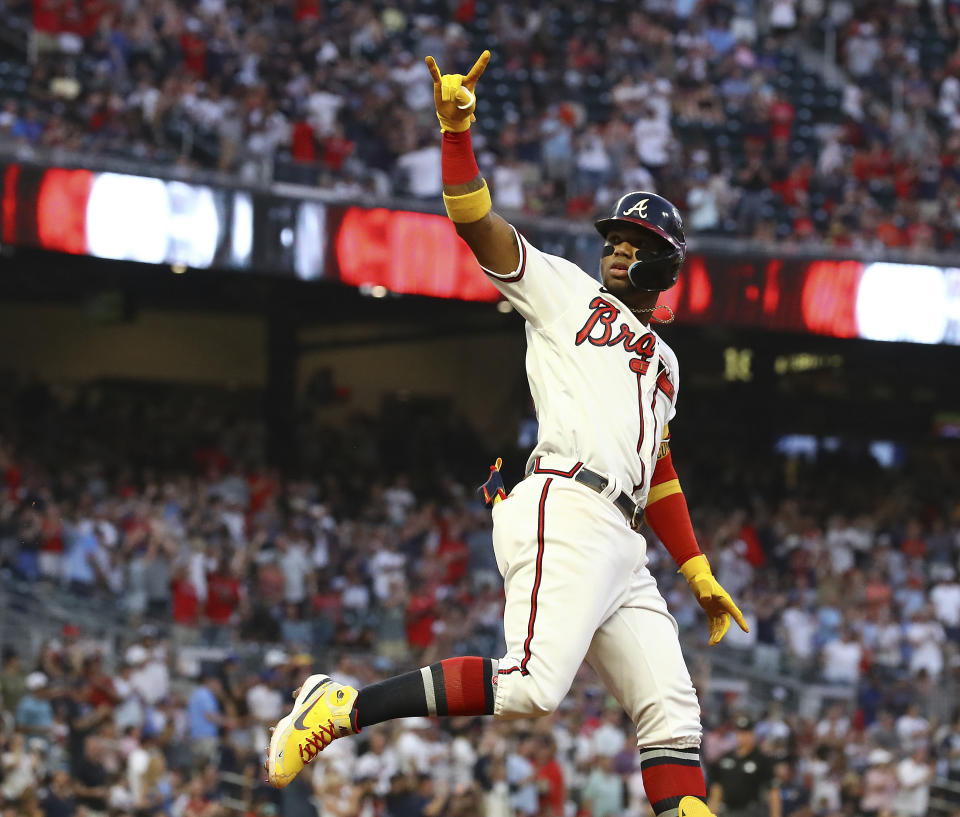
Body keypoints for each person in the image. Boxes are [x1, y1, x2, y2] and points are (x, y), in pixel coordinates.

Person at [265, 51, 748, 817]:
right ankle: (339, 707)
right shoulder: (566, 292)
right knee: (529, 686)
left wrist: (694, 568)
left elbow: (656, 466)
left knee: (674, 714)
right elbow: (477, 224)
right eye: (615, 239)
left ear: (667, 263)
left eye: (637, 243)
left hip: (623, 540)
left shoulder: (668, 363)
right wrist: (456, 134)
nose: (619, 249)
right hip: (569, 501)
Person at [707, 716, 779, 817]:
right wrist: (710, 813)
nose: (743, 736)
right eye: (740, 732)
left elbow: (773, 792)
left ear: (753, 734)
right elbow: (716, 789)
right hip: (726, 811)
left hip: (752, 812)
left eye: (747, 732)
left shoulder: (762, 760)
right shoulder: (725, 758)